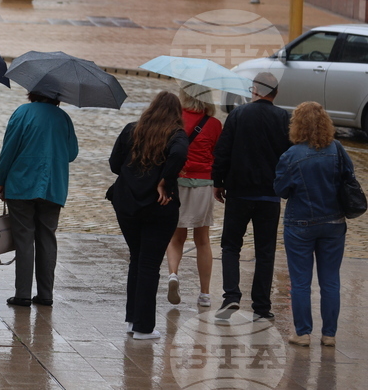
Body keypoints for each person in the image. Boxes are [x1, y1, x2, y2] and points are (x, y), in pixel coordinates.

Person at [212, 72, 291, 323]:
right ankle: (262, 306)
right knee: (265, 251)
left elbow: (222, 151)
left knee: (231, 246)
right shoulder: (283, 118)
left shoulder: (238, 114)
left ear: (255, 89)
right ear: (275, 93)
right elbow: (290, 156)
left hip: (239, 192)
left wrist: (218, 182)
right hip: (270, 195)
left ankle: (231, 296)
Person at [108, 91, 188, 340]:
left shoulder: (132, 130)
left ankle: (133, 319)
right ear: (176, 113)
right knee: (149, 264)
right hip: (159, 206)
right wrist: (165, 179)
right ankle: (144, 326)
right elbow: (178, 154)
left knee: (137, 258)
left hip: (127, 204)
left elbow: (114, 164)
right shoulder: (176, 135)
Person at [274, 102, 350, 347]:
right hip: (334, 222)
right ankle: (329, 334)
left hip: (300, 224)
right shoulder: (337, 149)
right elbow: (349, 179)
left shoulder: (291, 155)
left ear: (297, 126)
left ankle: (303, 332)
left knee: (300, 281)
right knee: (330, 280)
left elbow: (281, 190)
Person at [0, 90, 79, 308]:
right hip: (53, 185)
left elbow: (9, 149)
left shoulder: (22, 112)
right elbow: (72, 153)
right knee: (47, 238)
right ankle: (45, 294)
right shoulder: (64, 118)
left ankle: (22, 294)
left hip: (21, 184)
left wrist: (0, 179)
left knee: (24, 239)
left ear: (33, 93)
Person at [165, 89, 222, 308]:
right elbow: (218, 155)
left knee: (176, 237)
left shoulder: (174, 120)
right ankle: (205, 294)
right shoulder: (214, 124)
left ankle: (173, 274)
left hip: (178, 182)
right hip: (203, 183)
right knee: (203, 240)